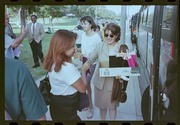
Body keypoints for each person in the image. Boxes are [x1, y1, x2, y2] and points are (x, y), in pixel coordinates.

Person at [43, 29, 89, 121]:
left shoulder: (53, 61)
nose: (75, 49)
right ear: (62, 47)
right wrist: (83, 71)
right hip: (67, 106)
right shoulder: (67, 68)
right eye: (72, 46)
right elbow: (83, 88)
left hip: (56, 103)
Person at [83, 23, 122, 120]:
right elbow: (91, 59)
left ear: (116, 35)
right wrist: (86, 64)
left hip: (114, 83)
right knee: (102, 107)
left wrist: (122, 75)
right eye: (106, 35)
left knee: (112, 107)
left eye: (111, 35)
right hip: (100, 83)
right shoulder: (99, 46)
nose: (108, 37)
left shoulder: (122, 48)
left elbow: (128, 67)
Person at [80, 16, 102, 119]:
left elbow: (99, 52)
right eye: (82, 23)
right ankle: (88, 104)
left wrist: (90, 61)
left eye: (85, 23)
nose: (83, 25)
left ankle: (90, 106)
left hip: (91, 63)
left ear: (91, 24)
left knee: (86, 83)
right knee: (86, 85)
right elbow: (82, 49)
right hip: (83, 61)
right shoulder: (83, 35)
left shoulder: (96, 36)